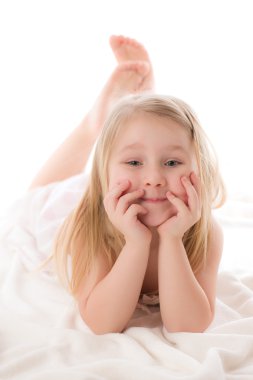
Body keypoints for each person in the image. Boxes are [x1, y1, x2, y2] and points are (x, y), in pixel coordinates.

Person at [30, 35, 226, 335]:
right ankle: (94, 124)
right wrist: (136, 243)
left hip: (125, 187)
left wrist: (173, 239)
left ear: (200, 168)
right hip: (81, 203)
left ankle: (139, 107)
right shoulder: (88, 223)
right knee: (35, 197)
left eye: (172, 163)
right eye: (135, 163)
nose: (154, 178)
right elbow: (102, 323)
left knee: (142, 139)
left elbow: (188, 326)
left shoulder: (204, 231)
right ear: (105, 173)